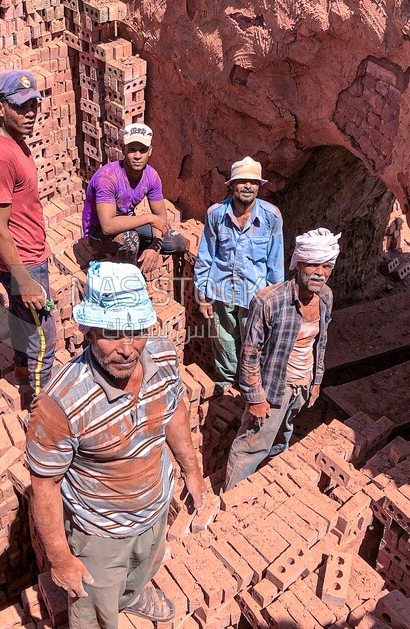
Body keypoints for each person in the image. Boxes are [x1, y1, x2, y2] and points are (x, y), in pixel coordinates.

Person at [27, 261, 208, 629]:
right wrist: (60, 558)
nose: (127, 349)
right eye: (112, 333)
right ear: (88, 331)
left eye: (136, 331)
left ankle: (134, 595)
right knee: (93, 605)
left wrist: (192, 471)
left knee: (144, 565)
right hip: (101, 531)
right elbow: (44, 485)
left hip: (155, 506)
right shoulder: (59, 403)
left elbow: (173, 412)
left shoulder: (163, 356)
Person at [223, 228, 340, 491]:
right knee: (252, 445)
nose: (320, 272)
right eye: (313, 264)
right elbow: (250, 354)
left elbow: (320, 344)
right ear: (298, 264)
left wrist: (316, 382)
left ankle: (266, 489)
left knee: (283, 437)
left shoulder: (326, 297)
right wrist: (256, 398)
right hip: (275, 386)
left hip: (302, 383)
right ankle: (230, 503)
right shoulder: (269, 301)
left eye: (327, 266)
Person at [0, 70, 55, 401]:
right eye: (21, 107)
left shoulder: (15, 144)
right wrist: (23, 278)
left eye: (33, 106)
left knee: (19, 313)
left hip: (23, 254)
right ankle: (41, 410)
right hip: (24, 260)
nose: (30, 114)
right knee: (45, 337)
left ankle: (22, 371)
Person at [194, 157, 284, 396]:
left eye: (253, 182)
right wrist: (203, 296)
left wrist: (274, 301)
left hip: (255, 297)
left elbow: (276, 262)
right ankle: (226, 386)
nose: (248, 186)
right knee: (223, 343)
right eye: (242, 181)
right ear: (232, 185)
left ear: (259, 186)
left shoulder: (271, 217)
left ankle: (249, 389)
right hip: (221, 292)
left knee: (253, 345)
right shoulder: (216, 214)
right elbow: (206, 255)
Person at [82, 123, 187, 272]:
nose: (137, 156)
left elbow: (161, 219)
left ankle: (131, 253)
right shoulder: (107, 178)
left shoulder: (152, 176)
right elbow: (107, 226)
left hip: (128, 222)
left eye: (142, 150)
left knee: (177, 243)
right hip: (97, 232)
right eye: (132, 150)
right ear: (124, 150)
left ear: (150, 151)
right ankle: (133, 279)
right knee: (130, 240)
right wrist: (149, 218)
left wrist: (154, 247)